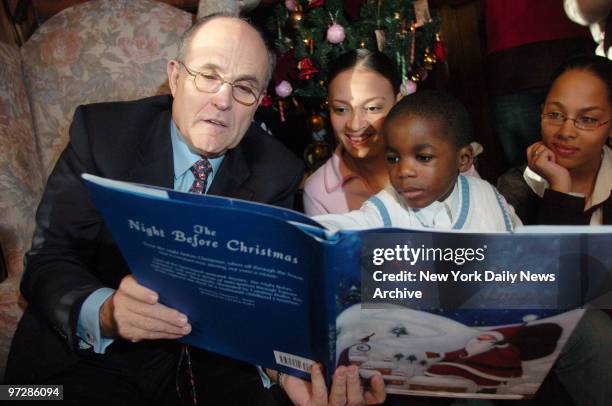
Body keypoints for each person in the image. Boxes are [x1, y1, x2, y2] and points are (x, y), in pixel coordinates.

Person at [4, 14, 376, 406]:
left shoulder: (277, 170)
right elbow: (48, 258)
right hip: (83, 361)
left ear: (258, 103)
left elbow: (262, 298)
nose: (223, 100)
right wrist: (106, 312)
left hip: (206, 367)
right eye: (208, 76)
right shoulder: (103, 133)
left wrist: (279, 370)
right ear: (176, 77)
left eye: (245, 87)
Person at [498, 54, 612, 406]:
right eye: (555, 115)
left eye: (587, 119)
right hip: (548, 359)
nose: (566, 131)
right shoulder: (512, 190)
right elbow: (544, 296)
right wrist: (561, 192)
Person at [303, 50, 480, 217]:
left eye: (372, 108)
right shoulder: (320, 190)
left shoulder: (444, 158)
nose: (355, 125)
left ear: (398, 103)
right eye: (341, 109)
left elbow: (492, 228)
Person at [314, 90, 520, 232]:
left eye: (423, 158)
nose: (403, 171)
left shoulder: (488, 196)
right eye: (393, 158)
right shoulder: (384, 210)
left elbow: (523, 251)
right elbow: (338, 230)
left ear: (463, 159)